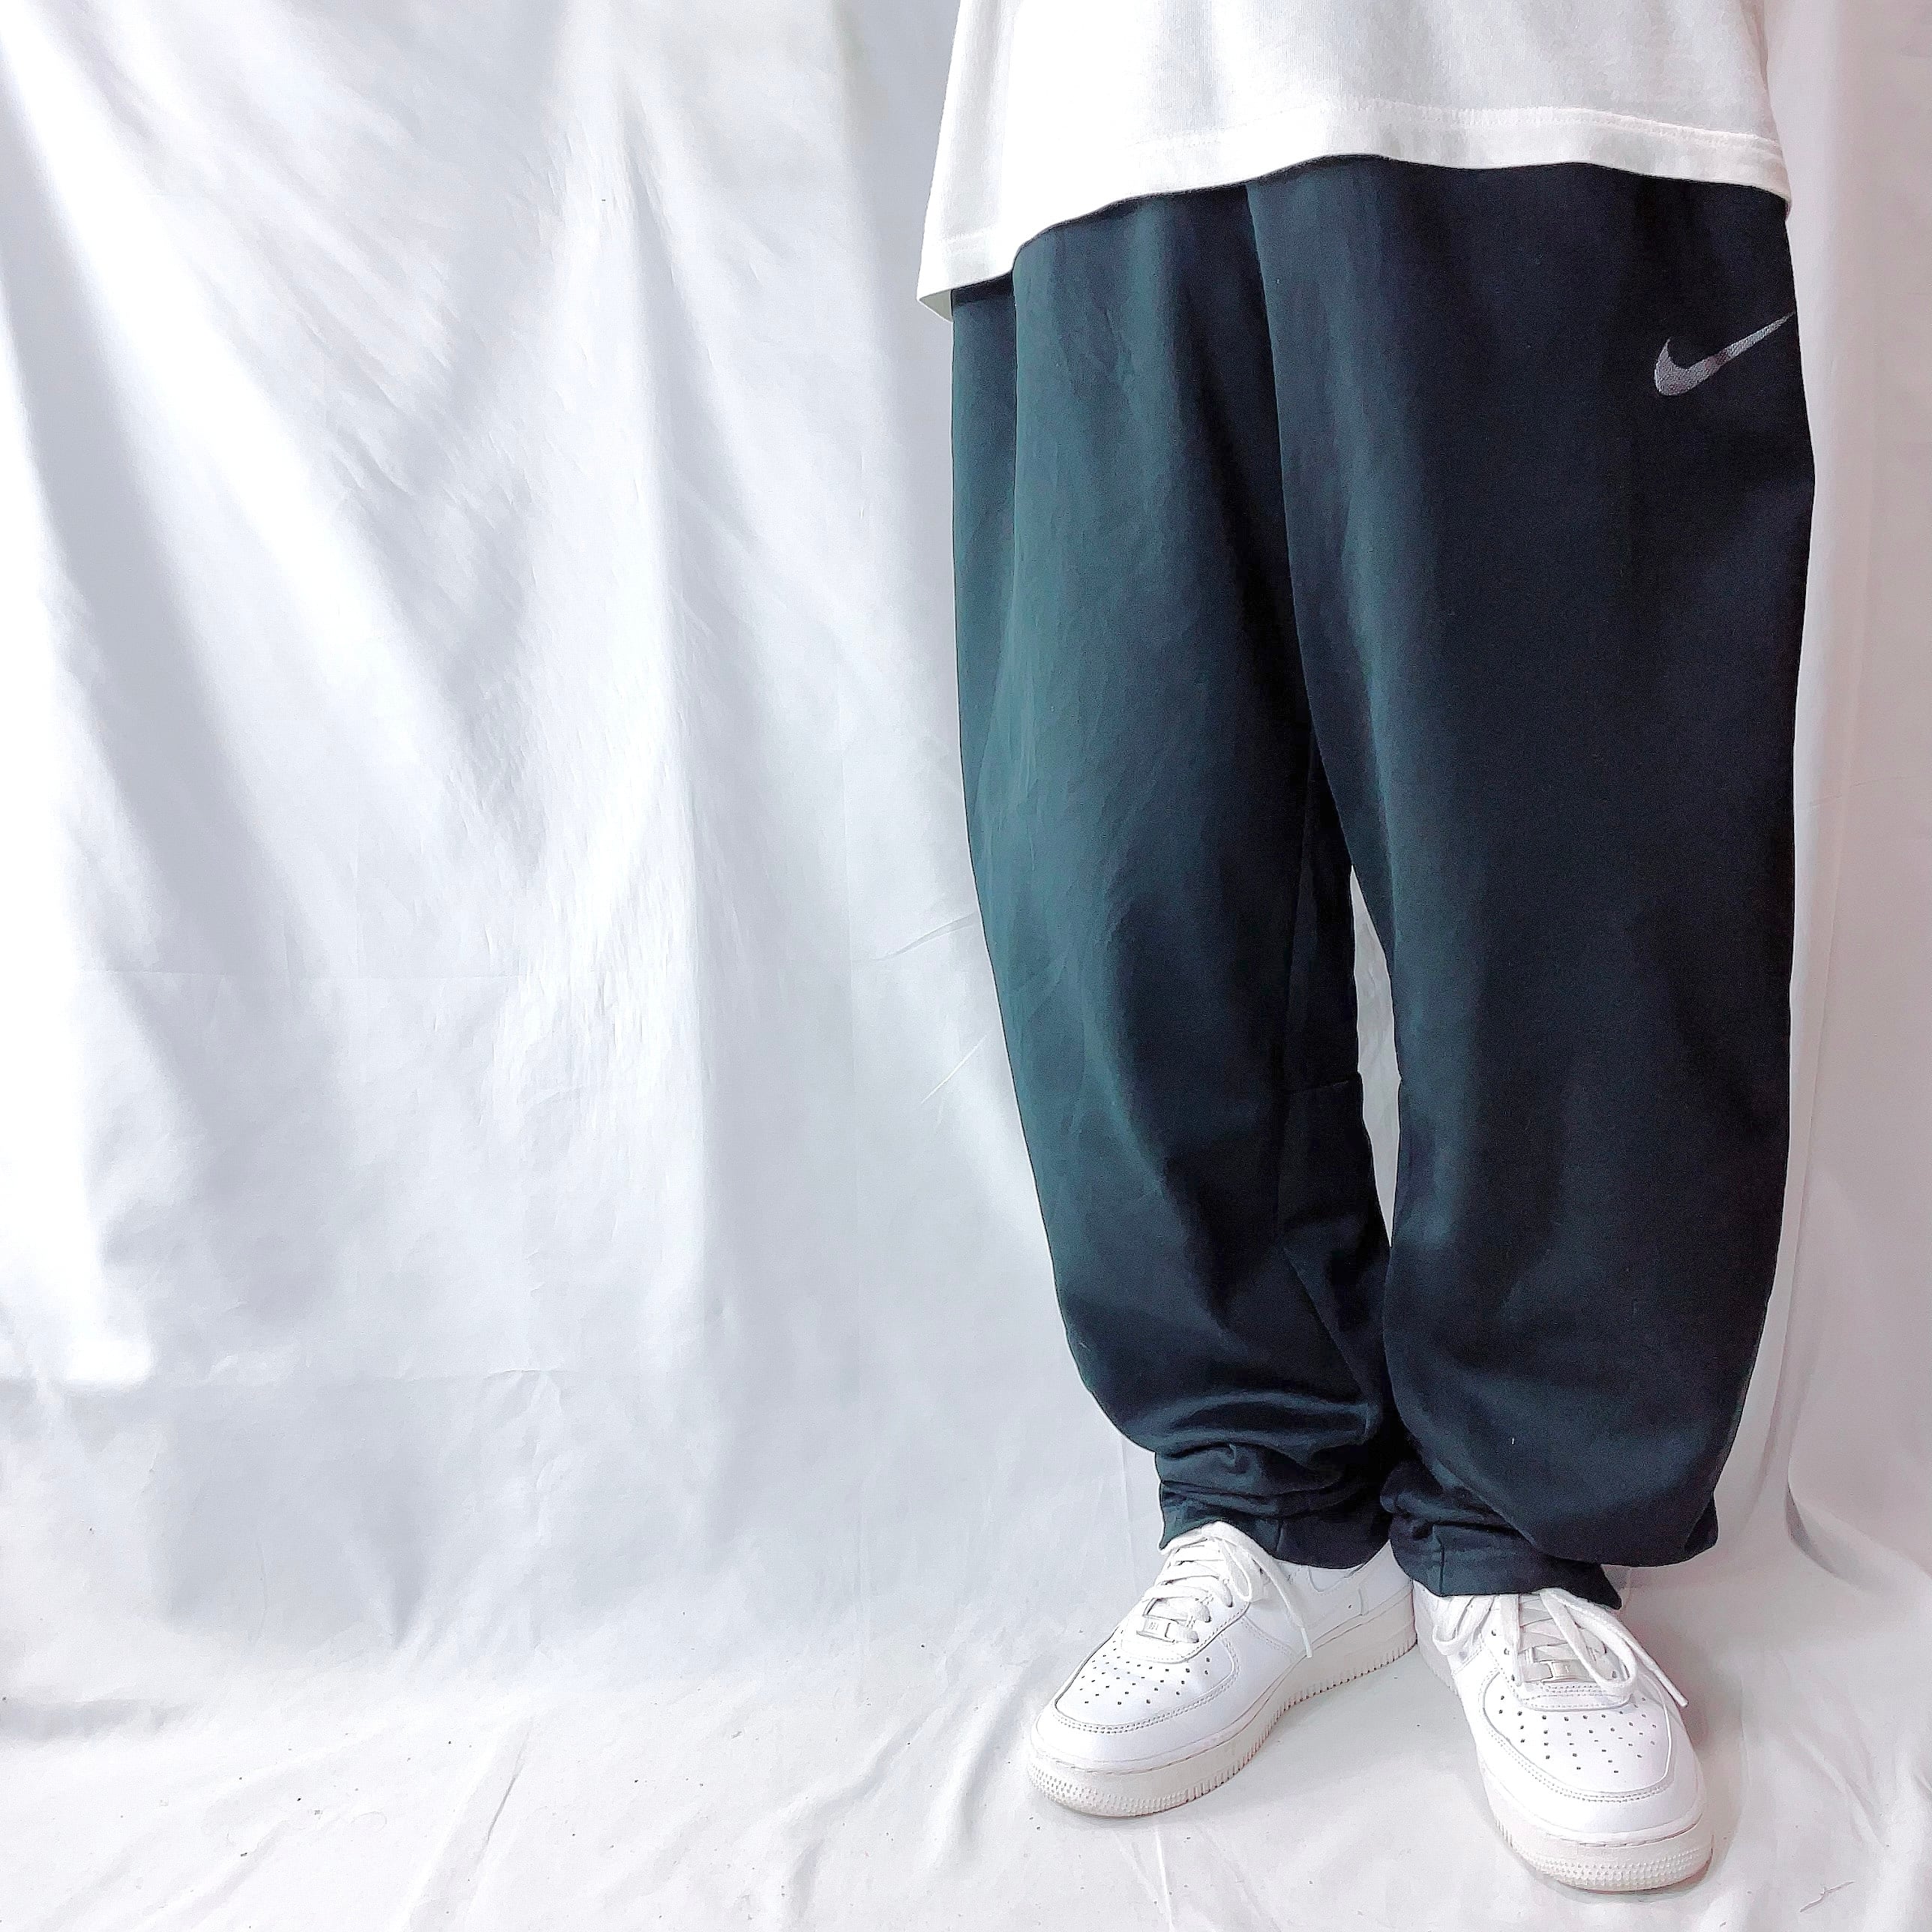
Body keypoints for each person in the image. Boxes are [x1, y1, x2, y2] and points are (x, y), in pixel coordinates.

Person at [920, 0, 1812, 1897]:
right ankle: (1274, 1506)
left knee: (1573, 883)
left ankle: (1523, 1526)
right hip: (1089, 118)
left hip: (1543, 89)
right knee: (1123, 879)